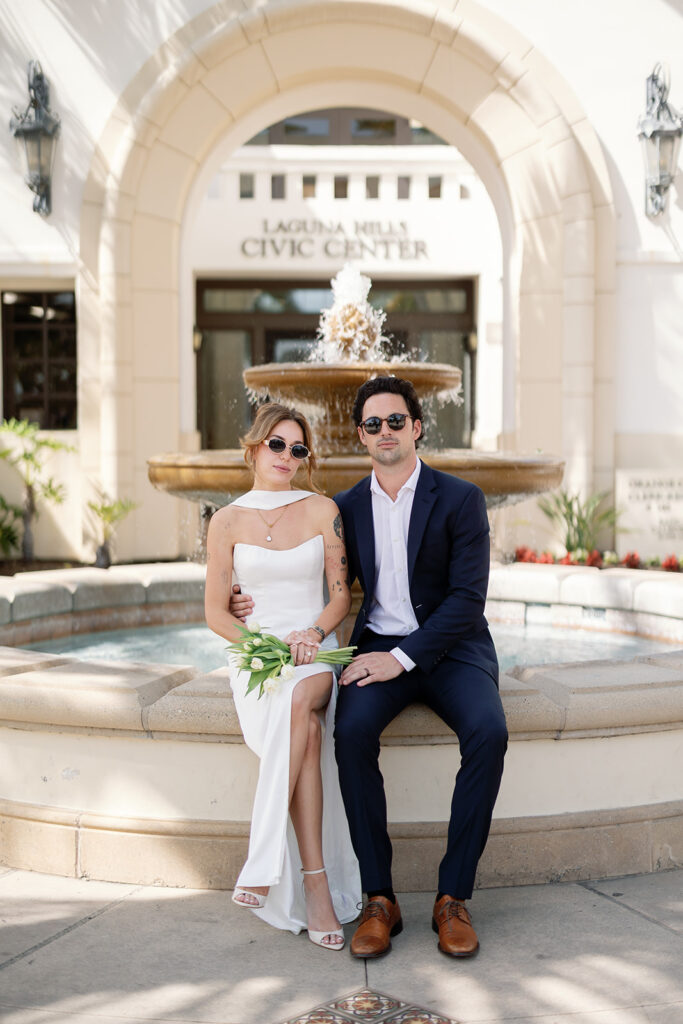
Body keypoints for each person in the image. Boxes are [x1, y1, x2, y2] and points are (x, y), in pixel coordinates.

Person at [231, 376, 508, 960]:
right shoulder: (347, 507)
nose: (385, 432)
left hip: (452, 650)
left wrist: (400, 658)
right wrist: (240, 595)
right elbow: (318, 577)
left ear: (417, 427)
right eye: (373, 424)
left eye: (396, 421)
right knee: (350, 732)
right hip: (377, 646)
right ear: (361, 434)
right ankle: (380, 898)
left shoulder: (461, 498)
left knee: (489, 731)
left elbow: (466, 600)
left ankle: (453, 897)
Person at [205, 402, 360, 950]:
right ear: (254, 448)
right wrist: (262, 646)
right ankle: (317, 889)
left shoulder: (323, 510)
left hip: (314, 648)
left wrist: (312, 636)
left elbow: (341, 595)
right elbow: (217, 613)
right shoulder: (224, 521)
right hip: (257, 658)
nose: (287, 457)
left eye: (298, 449)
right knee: (309, 731)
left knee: (303, 699)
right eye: (277, 445)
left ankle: (261, 859)